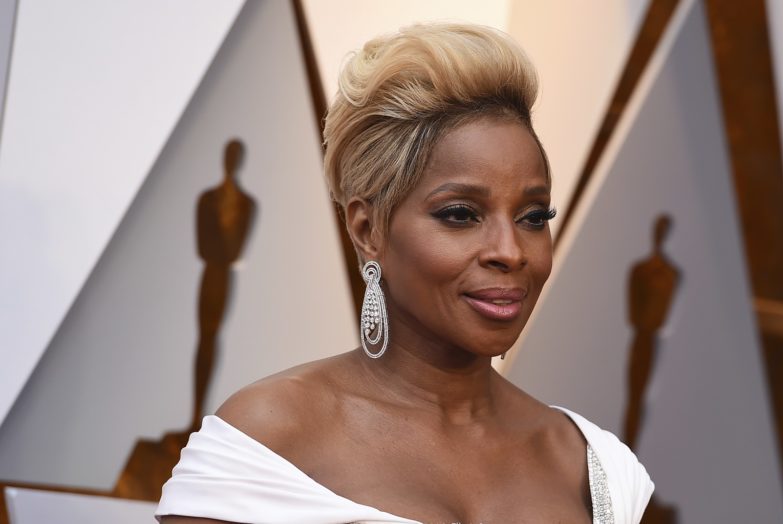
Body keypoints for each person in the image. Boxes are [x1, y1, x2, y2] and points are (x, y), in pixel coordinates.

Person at [156, 23, 653, 524]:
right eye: (460, 214)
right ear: (369, 230)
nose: (510, 251)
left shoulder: (594, 466)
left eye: (533, 218)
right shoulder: (268, 438)